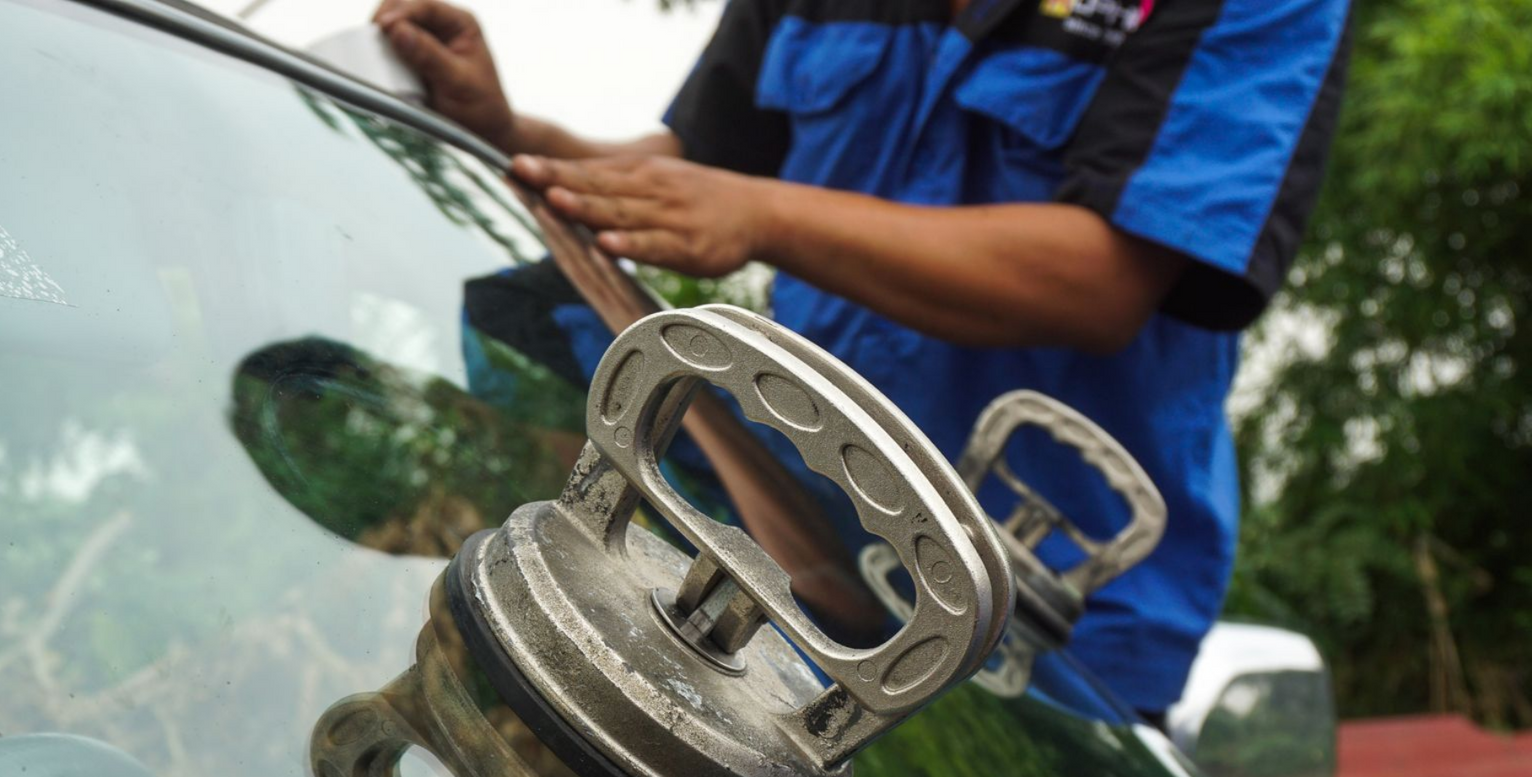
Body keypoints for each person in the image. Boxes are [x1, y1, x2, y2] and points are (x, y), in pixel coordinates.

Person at [372, 0, 1350, 718]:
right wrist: (513, 133)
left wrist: (762, 217)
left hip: (1032, 632)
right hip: (774, 538)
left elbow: (1100, 277)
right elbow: (694, 168)